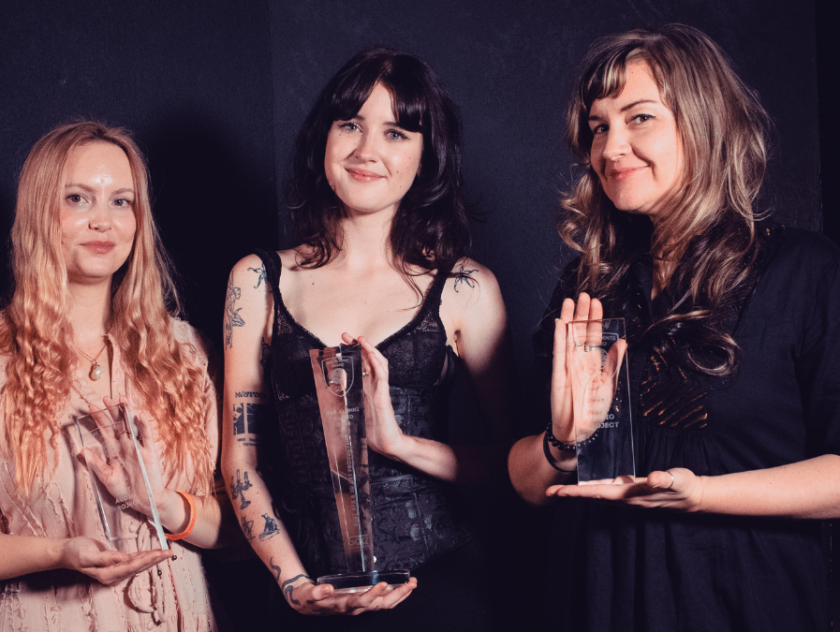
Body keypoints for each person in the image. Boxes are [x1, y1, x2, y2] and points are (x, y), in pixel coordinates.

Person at [508, 24, 840, 632]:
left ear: (704, 121)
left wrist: (701, 493)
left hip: (747, 604)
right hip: (595, 603)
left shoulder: (806, 272)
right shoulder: (591, 285)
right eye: (599, 125)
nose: (610, 148)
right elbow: (529, 484)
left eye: (639, 118)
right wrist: (561, 443)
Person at [223, 47, 512, 629]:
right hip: (302, 593)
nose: (367, 151)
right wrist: (294, 582)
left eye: (397, 133)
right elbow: (240, 461)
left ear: (427, 155)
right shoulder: (255, 280)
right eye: (350, 125)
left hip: (439, 589)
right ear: (322, 138)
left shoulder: (465, 288)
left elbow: (517, 466)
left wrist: (400, 443)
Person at [0, 121, 232, 630]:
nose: (103, 221)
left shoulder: (189, 354)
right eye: (79, 199)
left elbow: (240, 533)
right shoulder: (3, 358)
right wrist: (59, 552)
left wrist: (162, 502)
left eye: (121, 201)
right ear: (41, 214)